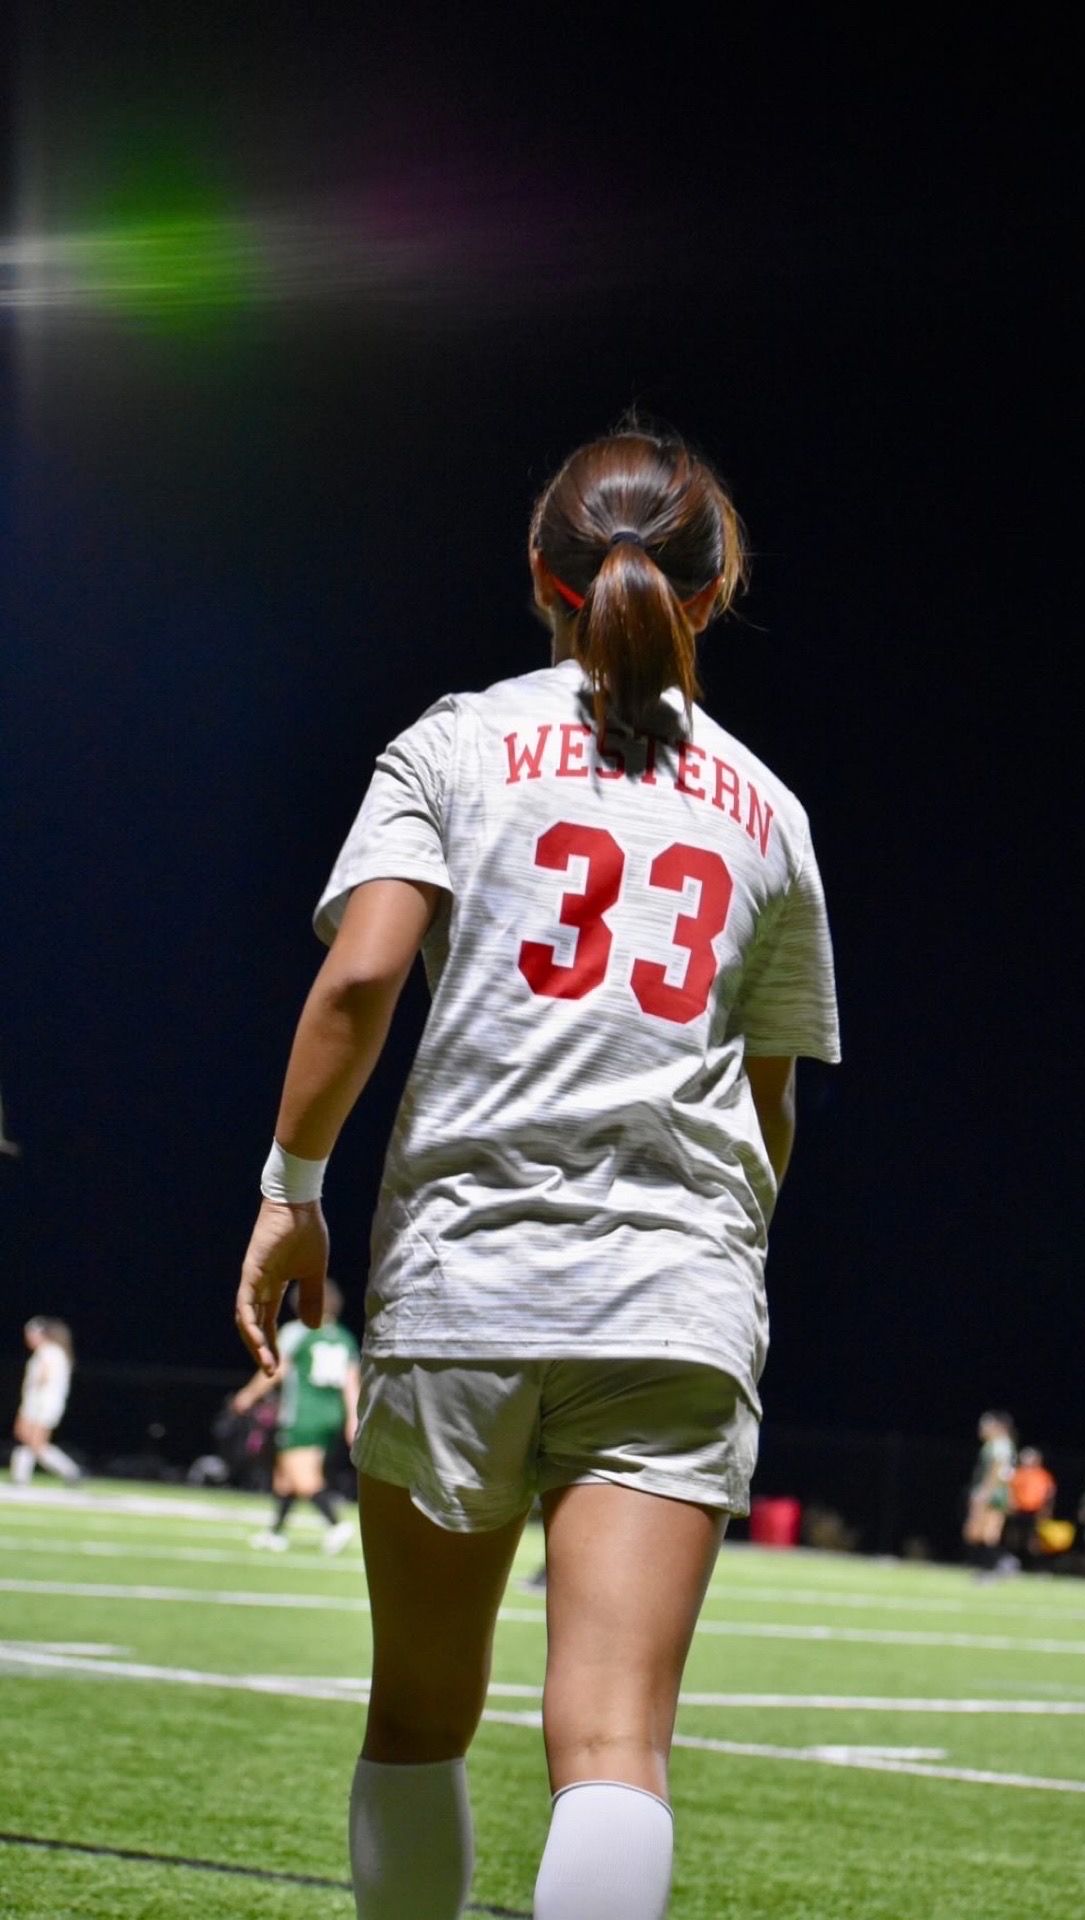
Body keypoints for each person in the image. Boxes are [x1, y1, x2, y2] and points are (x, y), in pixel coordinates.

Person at [234, 424, 840, 1920]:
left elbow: (362, 983)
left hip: (471, 1281)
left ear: (539, 577)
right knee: (615, 1750)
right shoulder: (776, 813)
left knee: (420, 1720)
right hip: (673, 1300)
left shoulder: (453, 742)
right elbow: (767, 1112)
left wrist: (289, 1186)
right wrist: (709, 1273)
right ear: (715, 591)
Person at [233, 1278, 359, 1552]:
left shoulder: (299, 1332)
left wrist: (247, 1395)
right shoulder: (345, 1338)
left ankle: (336, 1525)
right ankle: (275, 1533)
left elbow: (276, 1369)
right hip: (330, 1415)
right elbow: (352, 1384)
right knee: (285, 1476)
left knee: (304, 1478)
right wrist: (353, 1419)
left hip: (302, 1414)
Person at [10, 1317, 79, 1483]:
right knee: (27, 1437)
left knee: (36, 1441)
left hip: (44, 1402)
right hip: (35, 1401)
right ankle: (21, 1476)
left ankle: (71, 1471)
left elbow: (46, 1378)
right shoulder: (45, 1351)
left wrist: (35, 1401)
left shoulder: (50, 1352)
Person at [963, 1409, 1016, 1576]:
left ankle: (997, 1564)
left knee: (987, 1532)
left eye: (987, 1424)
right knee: (976, 1533)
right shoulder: (995, 1444)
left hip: (993, 1492)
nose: (982, 1428)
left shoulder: (1000, 1443)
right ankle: (995, 1564)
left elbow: (997, 1468)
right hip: (992, 1490)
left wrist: (985, 1492)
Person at [1003, 1446, 1057, 1566]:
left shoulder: (1043, 1475)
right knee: (1014, 1537)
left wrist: (1046, 1510)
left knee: (1033, 1540)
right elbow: (1009, 1490)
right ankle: (1013, 1561)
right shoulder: (1017, 1473)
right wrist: (1009, 1503)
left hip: (1035, 1511)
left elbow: (1049, 1495)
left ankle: (1034, 1565)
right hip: (1018, 1510)